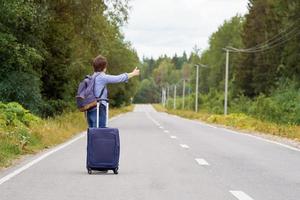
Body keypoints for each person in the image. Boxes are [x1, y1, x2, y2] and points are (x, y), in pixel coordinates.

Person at [86, 55, 140, 128]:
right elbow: (118, 78)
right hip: (99, 106)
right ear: (104, 67)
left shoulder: (91, 77)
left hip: (90, 107)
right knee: (101, 131)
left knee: (92, 131)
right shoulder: (102, 77)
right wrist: (133, 74)